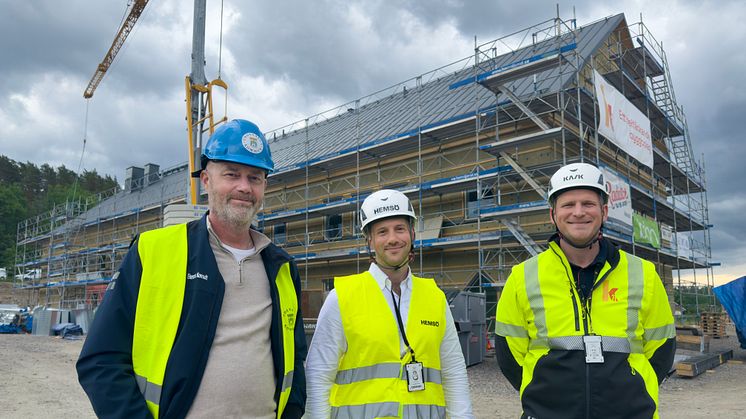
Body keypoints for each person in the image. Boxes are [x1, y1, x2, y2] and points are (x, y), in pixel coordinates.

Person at [76, 119, 307, 418]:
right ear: (206, 180)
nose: (244, 187)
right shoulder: (154, 251)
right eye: (231, 174)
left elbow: (295, 358)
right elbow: (100, 360)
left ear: (264, 186)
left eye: (255, 177)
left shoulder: (281, 267)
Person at [495, 162, 676, 419]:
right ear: (552, 214)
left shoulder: (643, 273)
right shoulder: (522, 277)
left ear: (604, 211)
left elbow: (662, 349)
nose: (578, 212)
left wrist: (632, 394)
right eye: (568, 205)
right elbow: (509, 356)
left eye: (588, 204)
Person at [305, 189, 474, 418]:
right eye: (382, 231)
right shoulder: (341, 297)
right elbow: (318, 377)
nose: (393, 238)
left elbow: (453, 372)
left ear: (412, 234)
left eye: (400, 229)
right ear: (370, 240)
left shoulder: (435, 297)